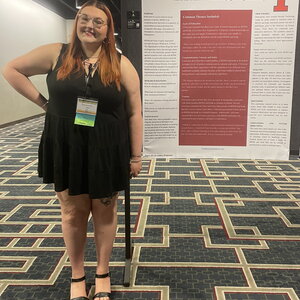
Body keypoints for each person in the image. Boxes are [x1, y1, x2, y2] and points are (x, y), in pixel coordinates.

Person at [2, 1, 143, 299]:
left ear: (108, 31)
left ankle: (102, 273)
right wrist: (44, 104)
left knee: (105, 213)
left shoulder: (121, 63)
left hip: (107, 148)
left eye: (98, 22)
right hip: (67, 146)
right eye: (84, 19)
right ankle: (77, 275)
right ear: (77, 21)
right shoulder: (56, 53)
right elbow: (11, 69)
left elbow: (135, 112)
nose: (90, 26)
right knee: (71, 213)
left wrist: (136, 155)